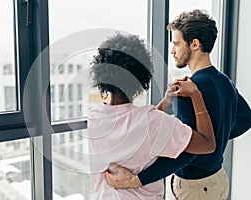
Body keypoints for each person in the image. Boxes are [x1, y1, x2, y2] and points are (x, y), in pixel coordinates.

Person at [105, 9, 251, 200]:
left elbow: (185, 151)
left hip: (194, 188)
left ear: (195, 44)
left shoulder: (187, 90)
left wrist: (138, 180)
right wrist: (218, 135)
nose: (172, 50)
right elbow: (246, 118)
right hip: (217, 180)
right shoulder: (224, 81)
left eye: (176, 43)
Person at [88, 33, 215, 199]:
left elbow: (137, 127)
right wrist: (195, 95)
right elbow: (207, 144)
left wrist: (165, 102)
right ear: (140, 78)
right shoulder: (151, 121)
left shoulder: (95, 117)